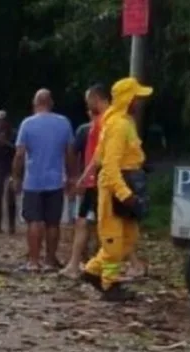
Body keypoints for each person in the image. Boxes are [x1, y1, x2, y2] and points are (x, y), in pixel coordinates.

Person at [80, 77, 151, 301]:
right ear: (128, 99)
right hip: (115, 190)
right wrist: (125, 195)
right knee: (113, 239)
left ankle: (93, 271)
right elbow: (110, 166)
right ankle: (109, 284)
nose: (139, 102)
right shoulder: (118, 125)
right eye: (136, 97)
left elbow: (104, 156)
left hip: (126, 183)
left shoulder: (122, 122)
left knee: (129, 237)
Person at [11, 89, 77, 272]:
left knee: (34, 221)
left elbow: (19, 154)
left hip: (33, 181)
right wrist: (72, 176)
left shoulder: (27, 124)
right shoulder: (63, 123)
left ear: (35, 103)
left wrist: (16, 177)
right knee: (53, 222)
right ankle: (50, 260)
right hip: (55, 180)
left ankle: (33, 261)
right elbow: (69, 153)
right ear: (51, 103)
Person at [60, 84, 109, 279]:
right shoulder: (96, 125)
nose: (86, 104)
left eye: (88, 99)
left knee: (101, 225)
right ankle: (77, 263)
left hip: (100, 180)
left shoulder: (107, 123)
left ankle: (104, 264)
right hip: (93, 180)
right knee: (87, 222)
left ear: (96, 98)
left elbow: (98, 156)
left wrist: (81, 178)